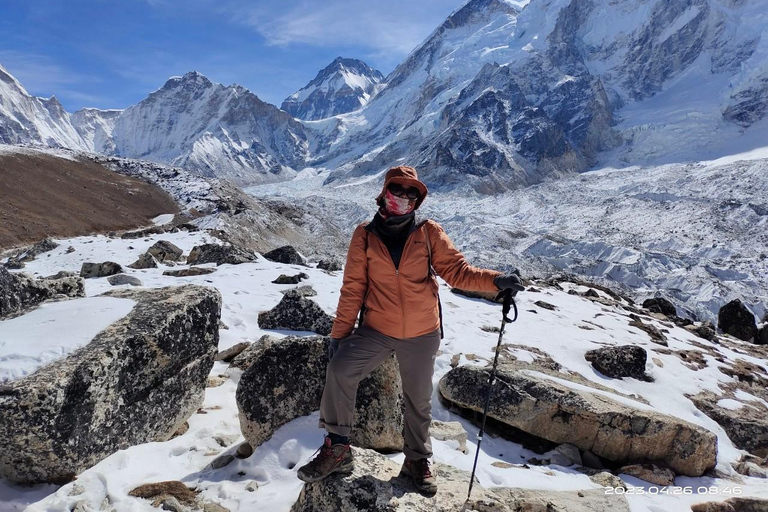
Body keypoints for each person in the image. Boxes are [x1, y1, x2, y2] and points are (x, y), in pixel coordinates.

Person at [296, 166, 524, 494]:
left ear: (418, 199)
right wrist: (339, 333)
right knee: (341, 369)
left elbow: (458, 272)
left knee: (417, 399)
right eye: (398, 189)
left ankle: (417, 458)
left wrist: (495, 281)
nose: (404, 197)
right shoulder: (365, 234)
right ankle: (338, 447)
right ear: (386, 191)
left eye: (411, 193)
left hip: (421, 332)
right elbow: (353, 288)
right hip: (377, 328)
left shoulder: (428, 231)